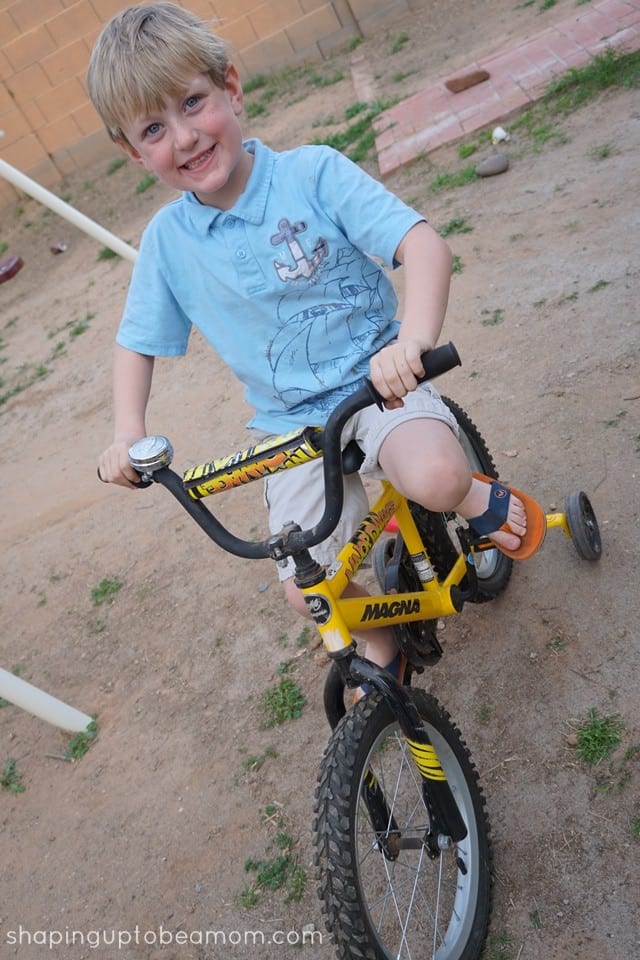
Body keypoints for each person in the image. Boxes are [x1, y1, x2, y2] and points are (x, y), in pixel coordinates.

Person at [89, 2, 545, 681]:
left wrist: (412, 344)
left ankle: (476, 499)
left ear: (231, 87)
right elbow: (137, 342)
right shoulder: (167, 243)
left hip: (377, 383)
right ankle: (383, 642)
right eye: (154, 128)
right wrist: (128, 432)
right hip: (291, 423)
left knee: (438, 478)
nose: (183, 138)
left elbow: (422, 245)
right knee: (307, 589)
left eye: (193, 103)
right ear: (132, 151)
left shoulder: (312, 174)